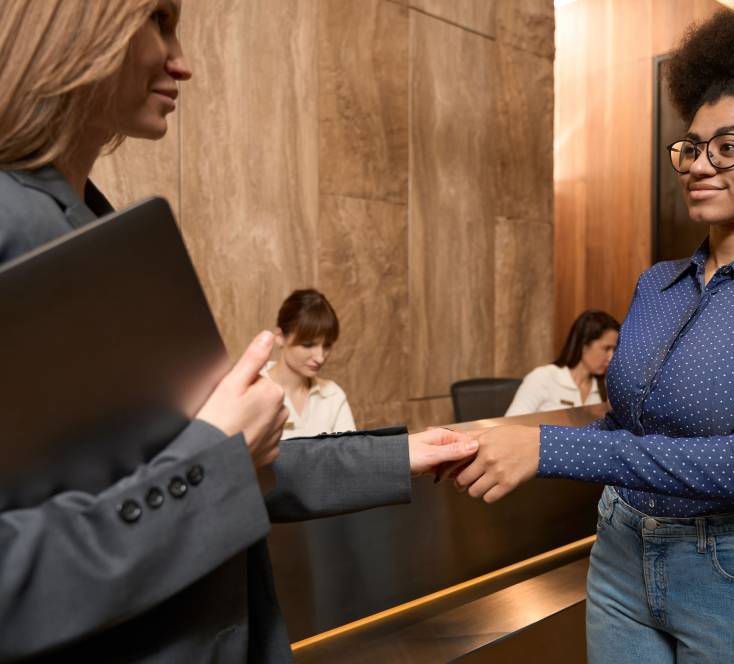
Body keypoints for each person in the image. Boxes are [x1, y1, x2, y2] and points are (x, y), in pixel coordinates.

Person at [0, 1, 477, 660]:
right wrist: (209, 459)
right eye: (159, 23)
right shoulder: (15, 227)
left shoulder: (92, 225)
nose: (184, 62)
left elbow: (199, 462)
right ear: (81, 25)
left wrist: (404, 453)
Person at [451, 3, 734, 662]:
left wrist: (547, 450)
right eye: (690, 145)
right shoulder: (656, 284)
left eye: (729, 146)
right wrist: (506, 439)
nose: (698, 164)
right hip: (622, 548)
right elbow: (631, 427)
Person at [264, 289, 356, 437]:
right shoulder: (251, 390)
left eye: (327, 346)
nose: (320, 358)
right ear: (280, 337)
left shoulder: (332, 395)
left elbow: (351, 456)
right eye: (308, 345)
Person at [505, 310, 619, 416]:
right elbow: (508, 427)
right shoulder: (543, 378)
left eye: (614, 350)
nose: (611, 357)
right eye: (606, 349)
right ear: (584, 345)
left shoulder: (604, 387)